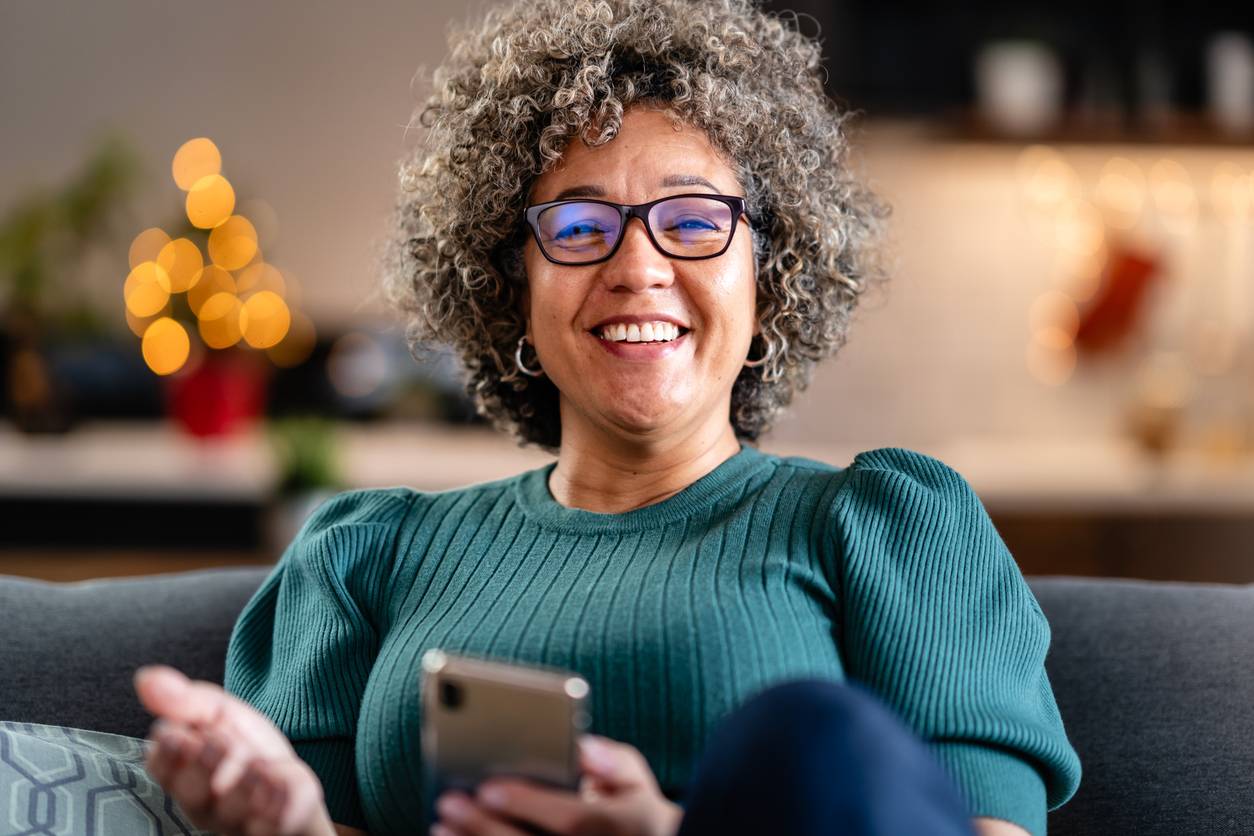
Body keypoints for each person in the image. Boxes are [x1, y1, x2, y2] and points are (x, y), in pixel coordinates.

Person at [133, 1, 1082, 835]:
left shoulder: (887, 527)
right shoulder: (363, 557)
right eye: (580, 229)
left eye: (695, 220)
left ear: (772, 271)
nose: (637, 268)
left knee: (808, 740)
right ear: (511, 288)